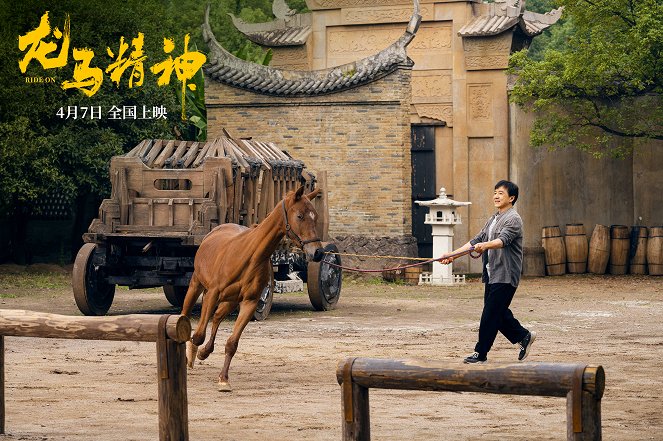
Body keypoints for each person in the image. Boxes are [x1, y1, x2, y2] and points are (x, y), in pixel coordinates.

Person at [440, 180, 535, 364]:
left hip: (506, 275)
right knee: (497, 313)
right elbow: (476, 240)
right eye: (495, 192)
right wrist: (452, 255)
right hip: (492, 274)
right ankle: (523, 336)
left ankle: (480, 353)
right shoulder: (493, 219)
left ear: (512, 198)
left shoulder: (513, 219)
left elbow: (502, 241)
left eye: (501, 193)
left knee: (490, 314)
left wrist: (484, 245)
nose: (496, 196)